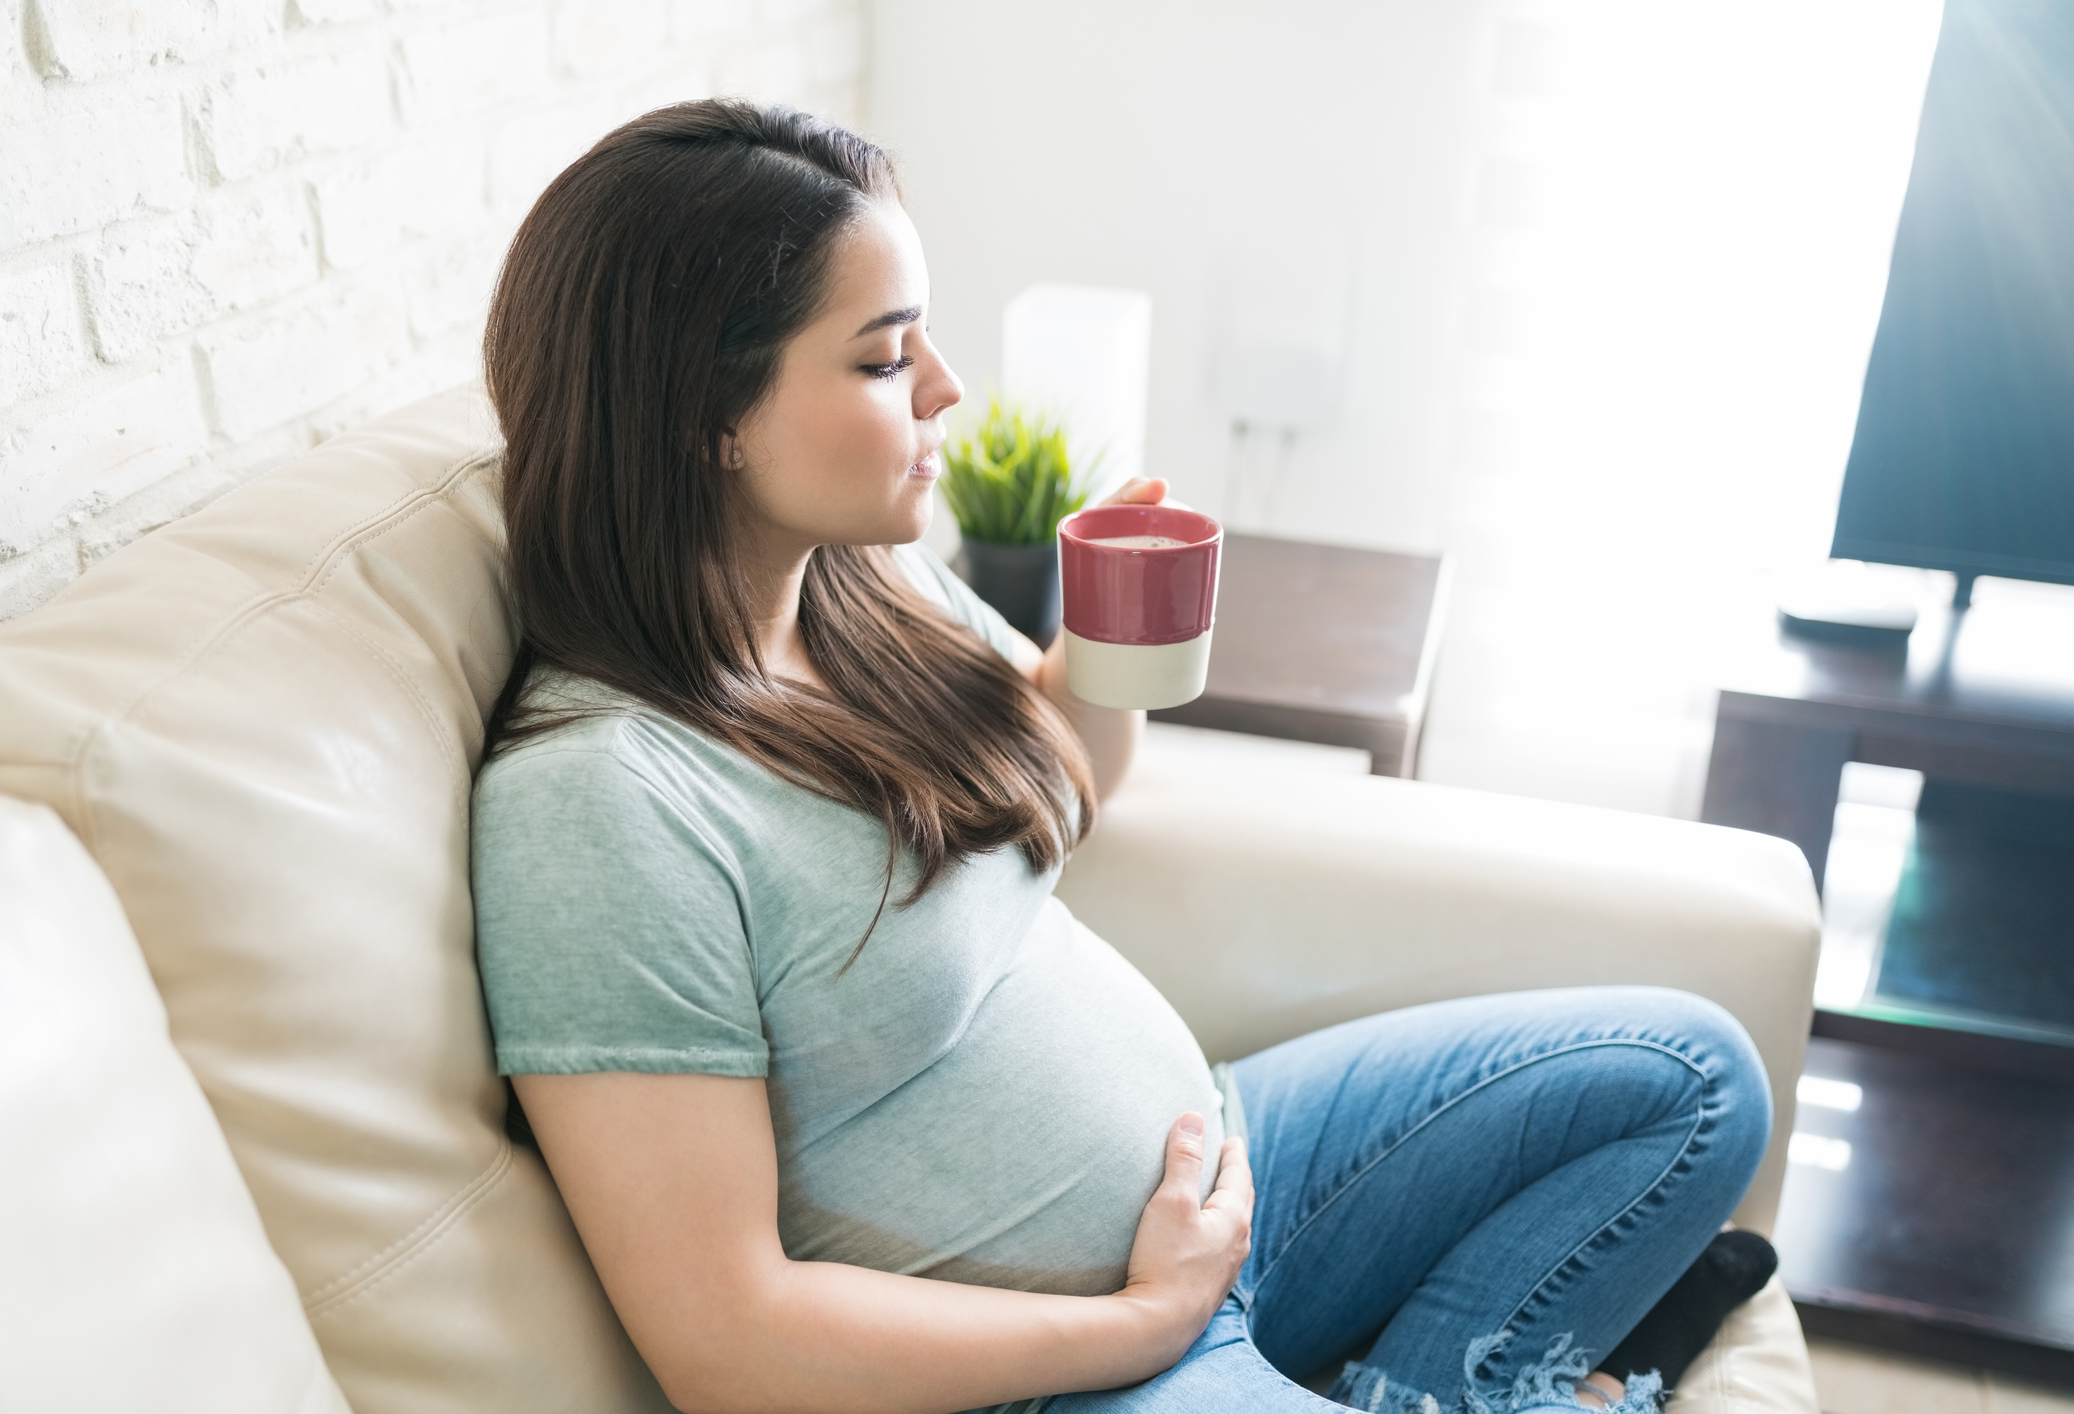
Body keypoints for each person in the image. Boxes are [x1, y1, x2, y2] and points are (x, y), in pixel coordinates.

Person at [470, 100, 1779, 1414]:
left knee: (1690, 1076)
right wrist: (1146, 1319)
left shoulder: (859, 593)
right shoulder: (601, 803)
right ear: (711, 419)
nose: (946, 388)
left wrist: (1109, 627)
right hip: (1064, 1368)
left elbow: (1071, 774)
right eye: (882, 360)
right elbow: (726, 1338)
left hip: (1224, 1164)